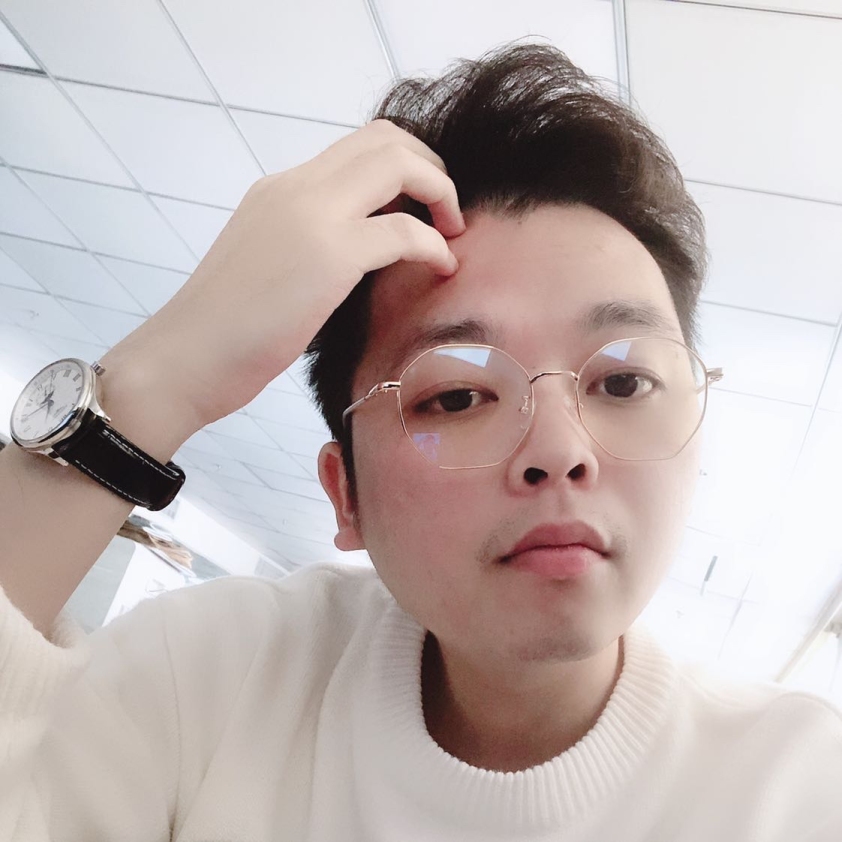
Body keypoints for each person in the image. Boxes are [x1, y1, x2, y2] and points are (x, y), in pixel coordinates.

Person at [0, 43, 840, 841]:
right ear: (347, 496)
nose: (559, 449)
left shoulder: (800, 790)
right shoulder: (212, 680)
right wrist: (162, 376)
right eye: (458, 395)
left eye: (623, 382)